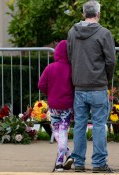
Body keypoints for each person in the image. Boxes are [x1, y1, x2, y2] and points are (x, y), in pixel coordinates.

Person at [64, 0, 116, 173]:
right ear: (98, 14)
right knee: (99, 125)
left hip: (79, 86)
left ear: (83, 14)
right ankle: (99, 163)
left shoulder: (72, 32)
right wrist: (106, 78)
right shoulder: (104, 33)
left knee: (79, 125)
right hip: (98, 86)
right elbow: (111, 61)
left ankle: (78, 162)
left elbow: (70, 56)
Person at [38, 40, 74, 172]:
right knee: (63, 132)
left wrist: (50, 93)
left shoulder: (50, 67)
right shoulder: (71, 68)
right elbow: (74, 86)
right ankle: (68, 155)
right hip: (67, 105)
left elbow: (41, 85)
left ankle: (59, 162)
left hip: (53, 105)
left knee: (57, 132)